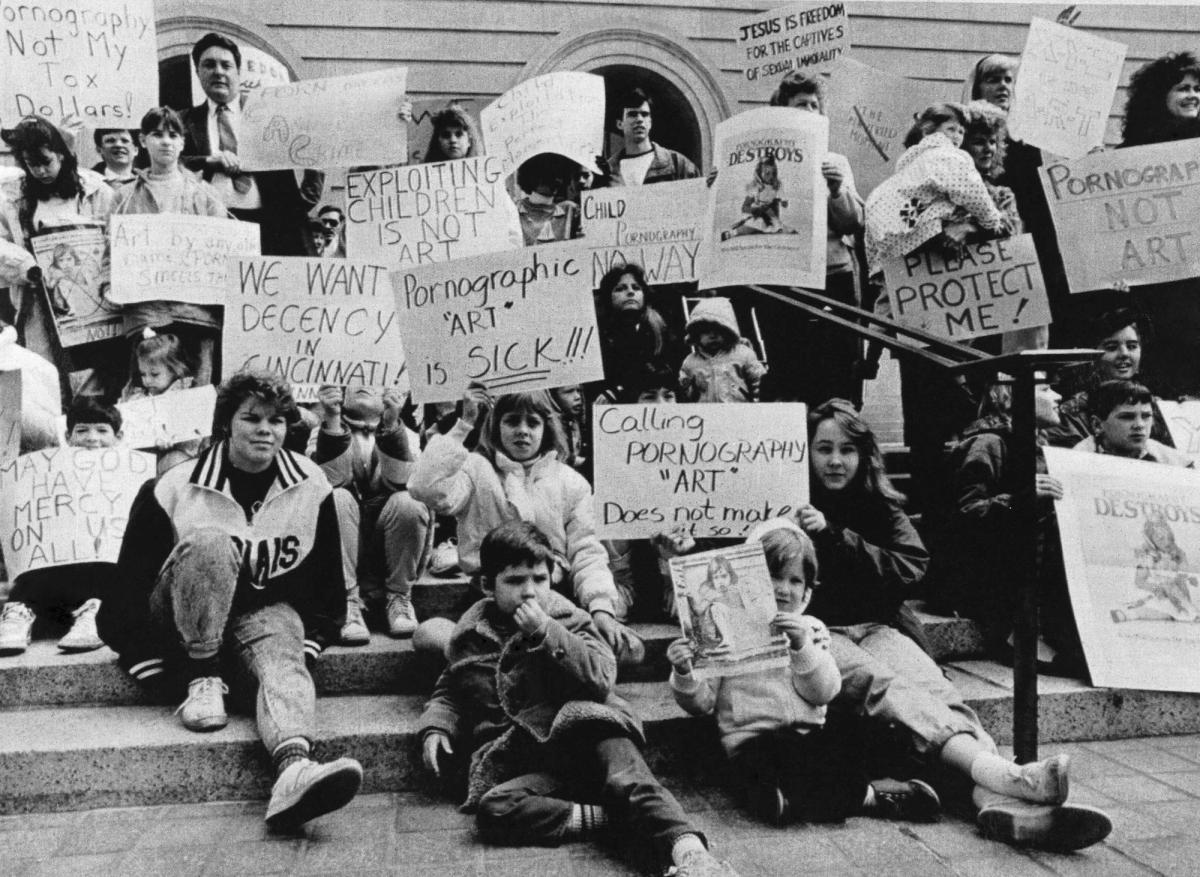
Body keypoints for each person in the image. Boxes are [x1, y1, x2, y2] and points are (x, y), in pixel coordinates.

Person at [800, 398, 1111, 850]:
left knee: (938, 691)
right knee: (884, 686)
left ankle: (994, 800)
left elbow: (910, 567)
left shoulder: (879, 506)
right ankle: (1005, 776)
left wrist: (836, 535)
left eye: (846, 449)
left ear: (863, 455)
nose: (834, 460)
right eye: (823, 448)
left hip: (878, 626)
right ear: (806, 453)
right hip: (820, 633)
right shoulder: (793, 501)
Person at [96, 369, 363, 831]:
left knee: (283, 650)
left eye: (277, 420)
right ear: (226, 423)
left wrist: (310, 638)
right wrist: (154, 664)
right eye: (252, 418)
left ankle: (293, 770)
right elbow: (126, 589)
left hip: (257, 611)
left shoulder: (311, 481)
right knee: (212, 544)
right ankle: (204, 678)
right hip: (179, 617)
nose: (266, 430)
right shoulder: (174, 483)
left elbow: (324, 586)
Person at [418, 520, 739, 877]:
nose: (529, 592)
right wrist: (437, 724)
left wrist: (547, 633)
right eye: (514, 581)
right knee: (495, 808)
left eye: (538, 579)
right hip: (538, 759)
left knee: (632, 779)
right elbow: (454, 681)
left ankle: (693, 856)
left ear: (552, 578)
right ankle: (610, 818)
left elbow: (601, 677)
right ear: (486, 585)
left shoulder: (570, 620)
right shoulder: (472, 634)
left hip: (590, 731)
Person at [668, 521, 941, 825]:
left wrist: (801, 648)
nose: (783, 588)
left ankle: (805, 801)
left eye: (795, 580)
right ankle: (867, 798)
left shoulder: (811, 629)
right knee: (762, 766)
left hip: (810, 735)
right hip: (753, 740)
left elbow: (823, 692)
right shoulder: (725, 633)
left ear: (808, 591)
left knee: (849, 742)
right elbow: (701, 703)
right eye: (773, 576)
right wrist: (684, 672)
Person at [408, 386, 642, 663]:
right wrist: (464, 424)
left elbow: (586, 552)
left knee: (632, 651)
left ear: (547, 427)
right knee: (427, 634)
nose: (522, 430)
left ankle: (508, 658)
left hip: (552, 598)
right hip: (491, 600)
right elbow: (423, 487)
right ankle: (502, 656)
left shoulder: (569, 481)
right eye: (512, 421)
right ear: (496, 426)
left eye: (532, 422)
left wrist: (601, 609)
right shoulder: (476, 469)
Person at [936, 379, 1085, 674]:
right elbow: (964, 516)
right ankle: (1020, 632)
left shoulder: (1040, 444)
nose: (1057, 395)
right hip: (980, 577)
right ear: (1010, 398)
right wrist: (1020, 500)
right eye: (1044, 389)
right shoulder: (988, 443)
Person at [763, 71, 865, 406]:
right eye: (800, 105)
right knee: (792, 372)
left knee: (837, 371)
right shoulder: (764, 163)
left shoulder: (835, 162)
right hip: (785, 279)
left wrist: (836, 189)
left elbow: (853, 223)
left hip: (832, 277)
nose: (809, 111)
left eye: (814, 105)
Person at [114, 106, 230, 387]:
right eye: (156, 134)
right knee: (148, 385)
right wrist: (113, 284)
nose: (165, 141)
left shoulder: (205, 194)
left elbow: (224, 251)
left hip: (196, 312)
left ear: (182, 143)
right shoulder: (125, 196)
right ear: (142, 140)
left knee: (197, 387)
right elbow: (111, 250)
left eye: (173, 134)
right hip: (146, 310)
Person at [181, 32, 325, 257]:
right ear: (198, 72)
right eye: (209, 65)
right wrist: (210, 162)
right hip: (210, 232)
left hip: (270, 229)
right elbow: (170, 160)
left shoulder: (271, 115)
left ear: (237, 72)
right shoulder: (183, 121)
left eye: (226, 65)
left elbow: (313, 143)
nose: (218, 71)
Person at [0, 397, 124, 656]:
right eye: (82, 430)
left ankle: (94, 611)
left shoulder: (129, 472)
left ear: (118, 437)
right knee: (38, 548)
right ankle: (20, 610)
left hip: (103, 574)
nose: (92, 438)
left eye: (102, 430)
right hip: (56, 576)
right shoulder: (47, 474)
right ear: (67, 437)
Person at [0, 116, 115, 388]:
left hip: (91, 300)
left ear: (62, 155)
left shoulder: (96, 191)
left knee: (91, 372)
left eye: (46, 162)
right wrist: (26, 266)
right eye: (32, 165)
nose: (40, 171)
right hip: (38, 300)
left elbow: (116, 236)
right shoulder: (12, 197)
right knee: (45, 373)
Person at [310, 384, 427, 641]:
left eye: (373, 380)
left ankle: (398, 596)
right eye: (355, 379)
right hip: (345, 545)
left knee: (409, 501)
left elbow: (400, 480)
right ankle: (347, 601)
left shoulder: (408, 435)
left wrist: (391, 424)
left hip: (388, 545)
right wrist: (332, 419)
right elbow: (332, 480)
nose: (363, 384)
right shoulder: (321, 431)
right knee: (336, 498)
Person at [1118, 52, 1200, 399]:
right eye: (1183, 88)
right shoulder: (1131, 154)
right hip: (1153, 290)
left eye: (1198, 88)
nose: (1194, 95)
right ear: (1158, 95)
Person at [1046, 308, 1175, 449]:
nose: (1124, 354)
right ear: (1092, 356)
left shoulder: (1157, 408)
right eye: (1112, 347)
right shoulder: (1073, 413)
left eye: (1132, 346)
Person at [594, 263, 683, 403]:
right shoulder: (599, 332)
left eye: (636, 288)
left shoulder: (659, 327)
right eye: (620, 289)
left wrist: (619, 389)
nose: (630, 292)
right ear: (608, 296)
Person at [1072, 380, 1192, 466]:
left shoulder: (1173, 462)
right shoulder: (1076, 460)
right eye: (1127, 417)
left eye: (1146, 416)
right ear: (1097, 425)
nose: (1139, 425)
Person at [1112, 512, 1200, 624]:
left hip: (1174, 593)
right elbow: (1139, 581)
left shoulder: (1176, 553)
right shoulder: (1147, 556)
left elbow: (1183, 576)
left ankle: (1186, 613)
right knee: (1161, 609)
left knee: (1174, 611)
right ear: (1150, 540)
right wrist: (1156, 589)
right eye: (1160, 539)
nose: (1167, 542)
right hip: (1154, 590)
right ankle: (1128, 614)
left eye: (1169, 537)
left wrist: (1186, 596)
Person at [605, 87, 700, 187]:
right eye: (632, 114)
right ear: (620, 124)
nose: (639, 119)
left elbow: (700, 196)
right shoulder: (607, 170)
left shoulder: (678, 164)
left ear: (650, 122)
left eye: (644, 114)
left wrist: (711, 183)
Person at [678, 297, 766, 403]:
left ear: (728, 331)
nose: (713, 336)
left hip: (739, 411)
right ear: (696, 334)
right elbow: (684, 392)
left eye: (718, 330)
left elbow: (759, 382)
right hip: (707, 414)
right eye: (706, 331)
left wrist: (759, 405)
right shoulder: (690, 363)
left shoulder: (743, 355)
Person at [514, 152, 581, 245]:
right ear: (532, 178)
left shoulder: (570, 210)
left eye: (558, 176)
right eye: (548, 177)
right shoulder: (514, 210)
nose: (556, 181)